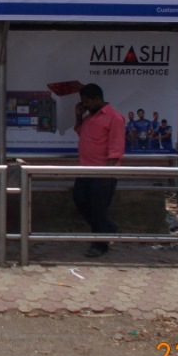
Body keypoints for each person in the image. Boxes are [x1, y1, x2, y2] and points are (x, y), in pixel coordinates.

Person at [73, 83, 126, 257]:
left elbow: (116, 149)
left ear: (97, 99)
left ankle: (100, 245)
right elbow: (82, 134)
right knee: (79, 199)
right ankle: (108, 227)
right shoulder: (90, 117)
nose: (84, 105)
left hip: (103, 172)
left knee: (98, 208)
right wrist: (79, 117)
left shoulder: (114, 118)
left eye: (87, 101)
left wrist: (107, 173)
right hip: (85, 170)